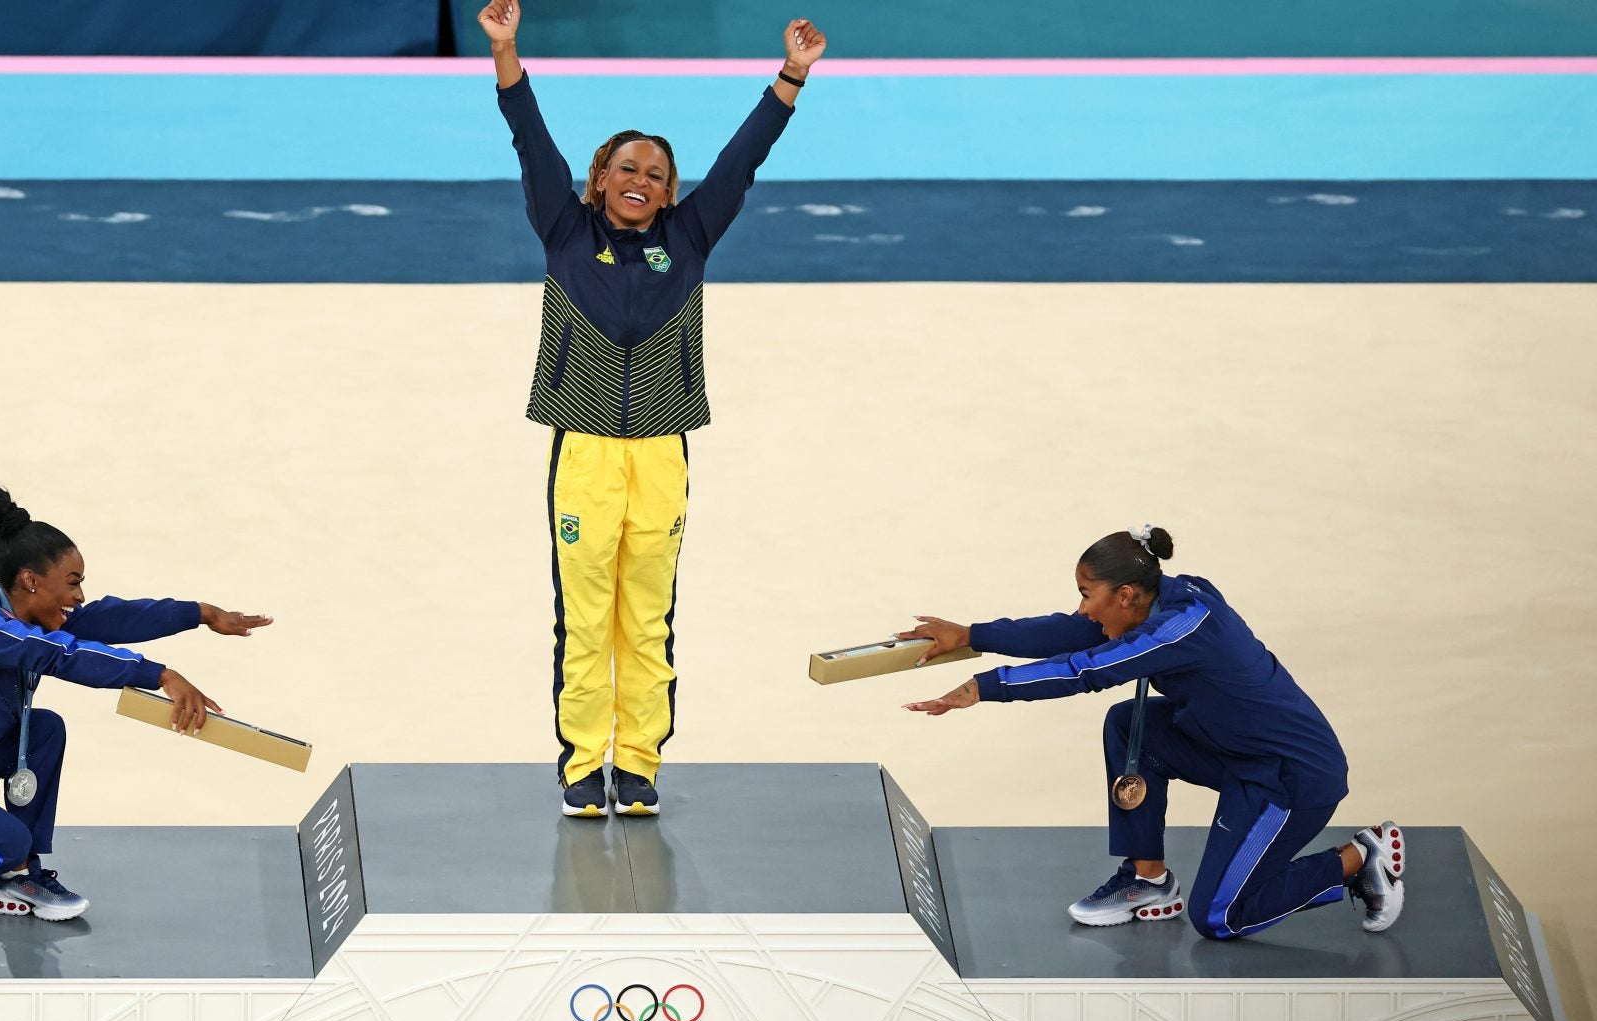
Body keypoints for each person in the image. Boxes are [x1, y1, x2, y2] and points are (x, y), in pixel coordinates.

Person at [477, 0, 826, 817]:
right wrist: (507, 53)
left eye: (658, 176)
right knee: (586, 613)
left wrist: (792, 76)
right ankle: (578, 766)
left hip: (663, 451)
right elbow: (531, 142)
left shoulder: (692, 239)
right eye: (628, 170)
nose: (643, 183)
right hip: (586, 455)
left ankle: (636, 766)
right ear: (599, 179)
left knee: (648, 618)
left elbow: (743, 161)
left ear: (673, 195)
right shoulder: (563, 230)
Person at [898, 526, 1405, 938]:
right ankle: (1148, 880)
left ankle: (1359, 858)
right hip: (1231, 752)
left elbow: (1085, 669)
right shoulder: (1152, 602)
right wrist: (971, 635)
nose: (1082, 608)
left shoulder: (1184, 625)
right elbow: (1072, 632)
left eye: (1086, 594)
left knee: (1219, 917)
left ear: (1123, 595)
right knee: (1128, 724)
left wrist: (985, 687)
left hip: (1290, 778)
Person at [0, 486, 271, 922]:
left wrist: (201, 613)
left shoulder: (33, 612)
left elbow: (110, 616)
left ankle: (17, 877)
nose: (79, 596)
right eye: (73, 583)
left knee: (44, 729)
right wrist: (162, 675)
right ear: (30, 581)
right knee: (4, 844)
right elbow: (59, 654)